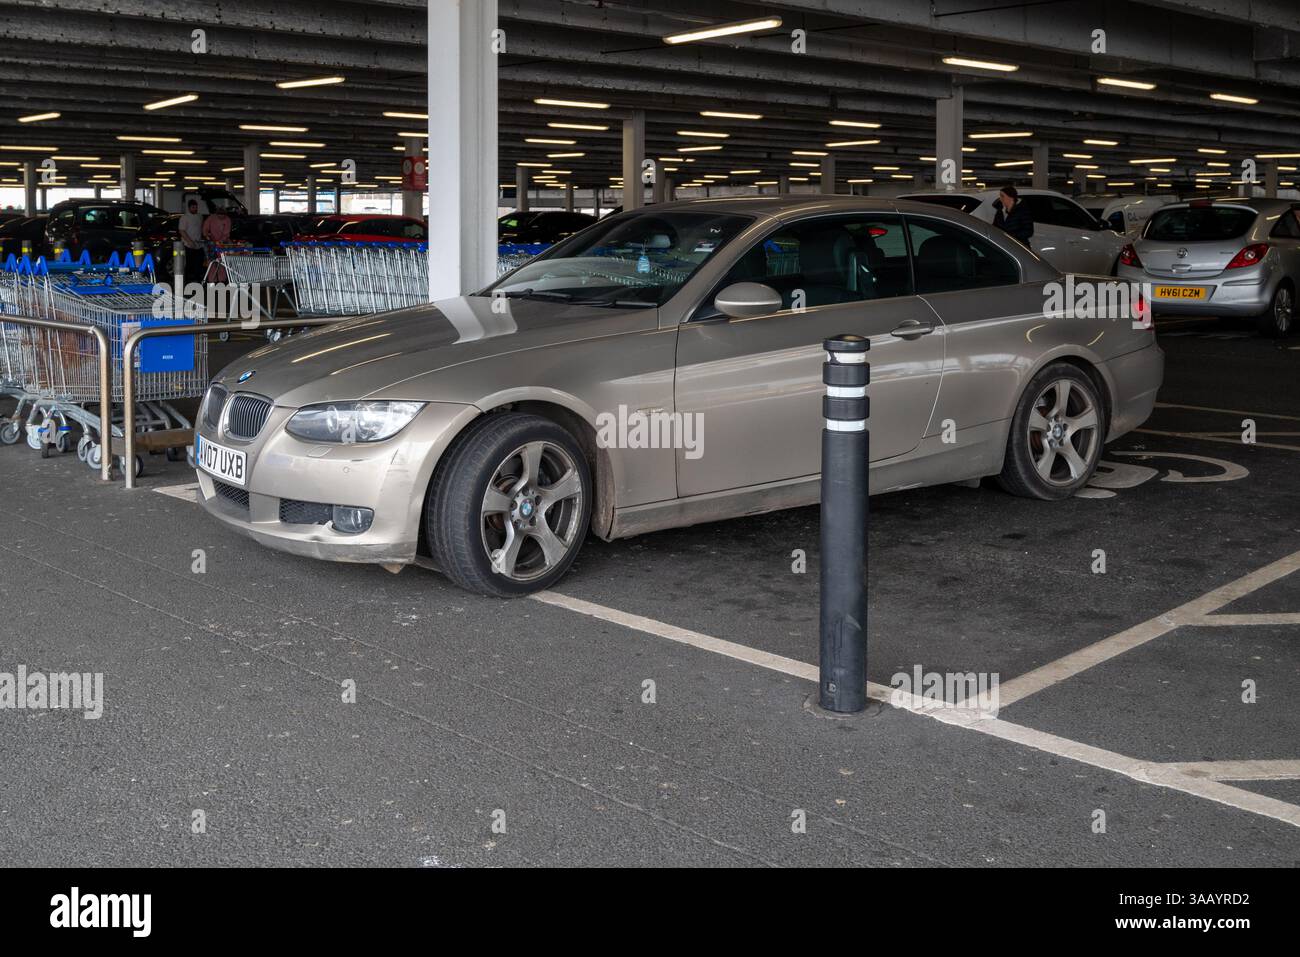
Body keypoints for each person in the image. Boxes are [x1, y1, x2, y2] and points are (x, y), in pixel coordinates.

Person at [178, 198, 205, 283]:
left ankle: (197, 278)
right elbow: (182, 230)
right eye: (193, 207)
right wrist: (190, 242)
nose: (195, 209)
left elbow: (201, 228)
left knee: (199, 262)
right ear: (189, 208)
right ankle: (186, 280)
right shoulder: (184, 217)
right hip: (188, 244)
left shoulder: (200, 216)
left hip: (199, 244)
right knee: (189, 263)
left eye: (196, 207)